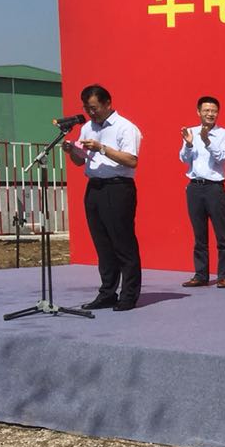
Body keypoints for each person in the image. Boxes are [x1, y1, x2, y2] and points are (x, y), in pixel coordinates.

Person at [61, 83, 142, 311]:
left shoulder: (125, 127)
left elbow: (131, 160)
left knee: (123, 242)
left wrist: (102, 148)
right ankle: (107, 293)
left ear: (107, 103)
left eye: (94, 107)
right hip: (94, 188)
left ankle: (129, 294)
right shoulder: (88, 127)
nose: (91, 112)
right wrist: (72, 151)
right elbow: (80, 161)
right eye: (87, 108)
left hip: (118, 188)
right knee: (103, 244)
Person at [177, 94, 225, 289]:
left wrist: (207, 141)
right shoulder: (190, 132)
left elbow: (221, 159)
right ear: (198, 112)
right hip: (194, 187)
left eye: (214, 111)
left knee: (222, 234)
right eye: (206, 110)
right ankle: (201, 275)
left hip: (214, 188)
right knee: (199, 235)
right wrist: (189, 143)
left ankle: (224, 276)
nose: (210, 114)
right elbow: (184, 159)